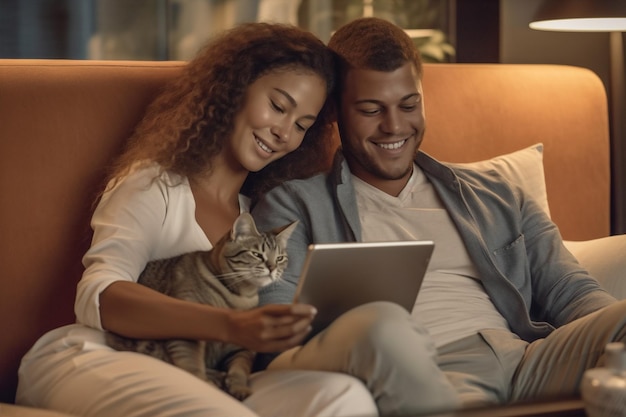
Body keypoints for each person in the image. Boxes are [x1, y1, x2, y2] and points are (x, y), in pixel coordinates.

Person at [251, 16, 626, 417]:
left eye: (408, 105)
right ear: (336, 112)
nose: (394, 126)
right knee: (383, 324)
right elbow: (273, 329)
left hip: (530, 359)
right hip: (426, 373)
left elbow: (572, 291)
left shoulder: (496, 193)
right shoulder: (295, 205)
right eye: (371, 109)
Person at [16, 22, 378, 417]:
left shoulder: (260, 217)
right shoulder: (154, 185)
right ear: (234, 88)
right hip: (97, 356)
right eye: (278, 106)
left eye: (302, 126)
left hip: (206, 371)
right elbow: (97, 296)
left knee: (344, 396)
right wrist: (228, 324)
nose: (283, 133)